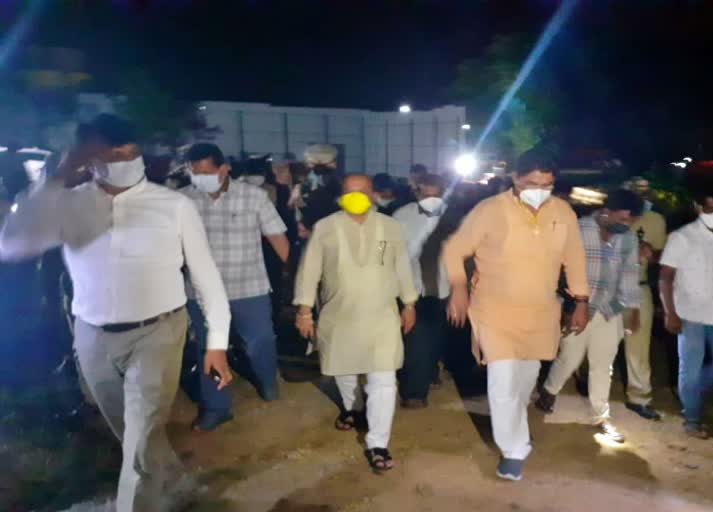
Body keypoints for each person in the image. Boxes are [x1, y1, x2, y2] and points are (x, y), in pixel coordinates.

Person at [0, 114, 232, 512]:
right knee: (131, 431)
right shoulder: (67, 204)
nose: (122, 159)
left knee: (141, 432)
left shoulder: (173, 205)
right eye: (109, 152)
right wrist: (55, 179)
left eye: (129, 151)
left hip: (159, 332)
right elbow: (12, 244)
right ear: (87, 159)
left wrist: (217, 343)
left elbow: (205, 274)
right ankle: (175, 484)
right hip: (91, 337)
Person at [442, 150, 589, 481]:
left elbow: (575, 257)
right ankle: (513, 450)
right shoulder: (490, 210)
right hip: (494, 310)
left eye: (547, 185)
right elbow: (455, 249)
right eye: (532, 183)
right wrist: (459, 287)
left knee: (525, 380)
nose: (539, 190)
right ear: (515, 179)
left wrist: (581, 300)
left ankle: (515, 428)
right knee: (503, 380)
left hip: (540, 313)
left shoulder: (562, 211)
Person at [293, 173, 418, 473]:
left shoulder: (390, 228)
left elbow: (401, 265)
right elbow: (309, 270)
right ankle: (352, 407)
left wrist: (409, 303)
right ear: (341, 195)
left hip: (382, 316)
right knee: (344, 370)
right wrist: (304, 310)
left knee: (384, 380)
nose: (356, 197)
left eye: (362, 192)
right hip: (340, 316)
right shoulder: (326, 227)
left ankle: (378, 443)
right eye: (350, 192)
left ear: (373, 194)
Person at [182, 143, 290, 431]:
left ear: (224, 169)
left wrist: (294, 275)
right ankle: (217, 407)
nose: (199, 178)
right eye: (194, 173)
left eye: (205, 172)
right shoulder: (182, 201)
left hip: (249, 288)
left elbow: (277, 237)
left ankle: (267, 379)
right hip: (201, 293)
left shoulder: (253, 197)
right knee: (209, 349)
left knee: (260, 342)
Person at [536, 190, 643, 444]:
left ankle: (600, 416)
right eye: (623, 218)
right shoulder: (577, 229)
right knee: (570, 357)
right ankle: (549, 391)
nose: (626, 225)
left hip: (609, 309)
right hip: (577, 307)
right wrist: (564, 306)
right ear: (608, 211)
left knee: (602, 365)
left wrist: (632, 310)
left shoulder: (627, 239)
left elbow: (629, 275)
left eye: (630, 221)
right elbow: (555, 268)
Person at [659, 189, 713, 439]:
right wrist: (669, 313)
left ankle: (691, 391)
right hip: (689, 313)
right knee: (690, 369)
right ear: (699, 209)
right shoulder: (682, 237)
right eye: (710, 210)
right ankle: (692, 418)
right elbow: (665, 277)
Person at [392, 173, 453, 408]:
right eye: (425, 194)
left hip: (443, 289)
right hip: (412, 288)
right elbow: (383, 245)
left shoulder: (454, 216)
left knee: (435, 336)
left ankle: (429, 371)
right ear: (416, 193)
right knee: (416, 339)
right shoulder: (402, 216)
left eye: (436, 194)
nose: (431, 199)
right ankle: (414, 393)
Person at [623, 178, 667, 420]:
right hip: (608, 289)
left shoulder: (656, 220)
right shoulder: (612, 215)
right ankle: (586, 384)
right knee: (596, 343)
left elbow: (663, 253)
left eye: (645, 192)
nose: (642, 196)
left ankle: (638, 397)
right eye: (635, 191)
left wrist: (652, 252)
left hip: (638, 289)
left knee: (638, 345)